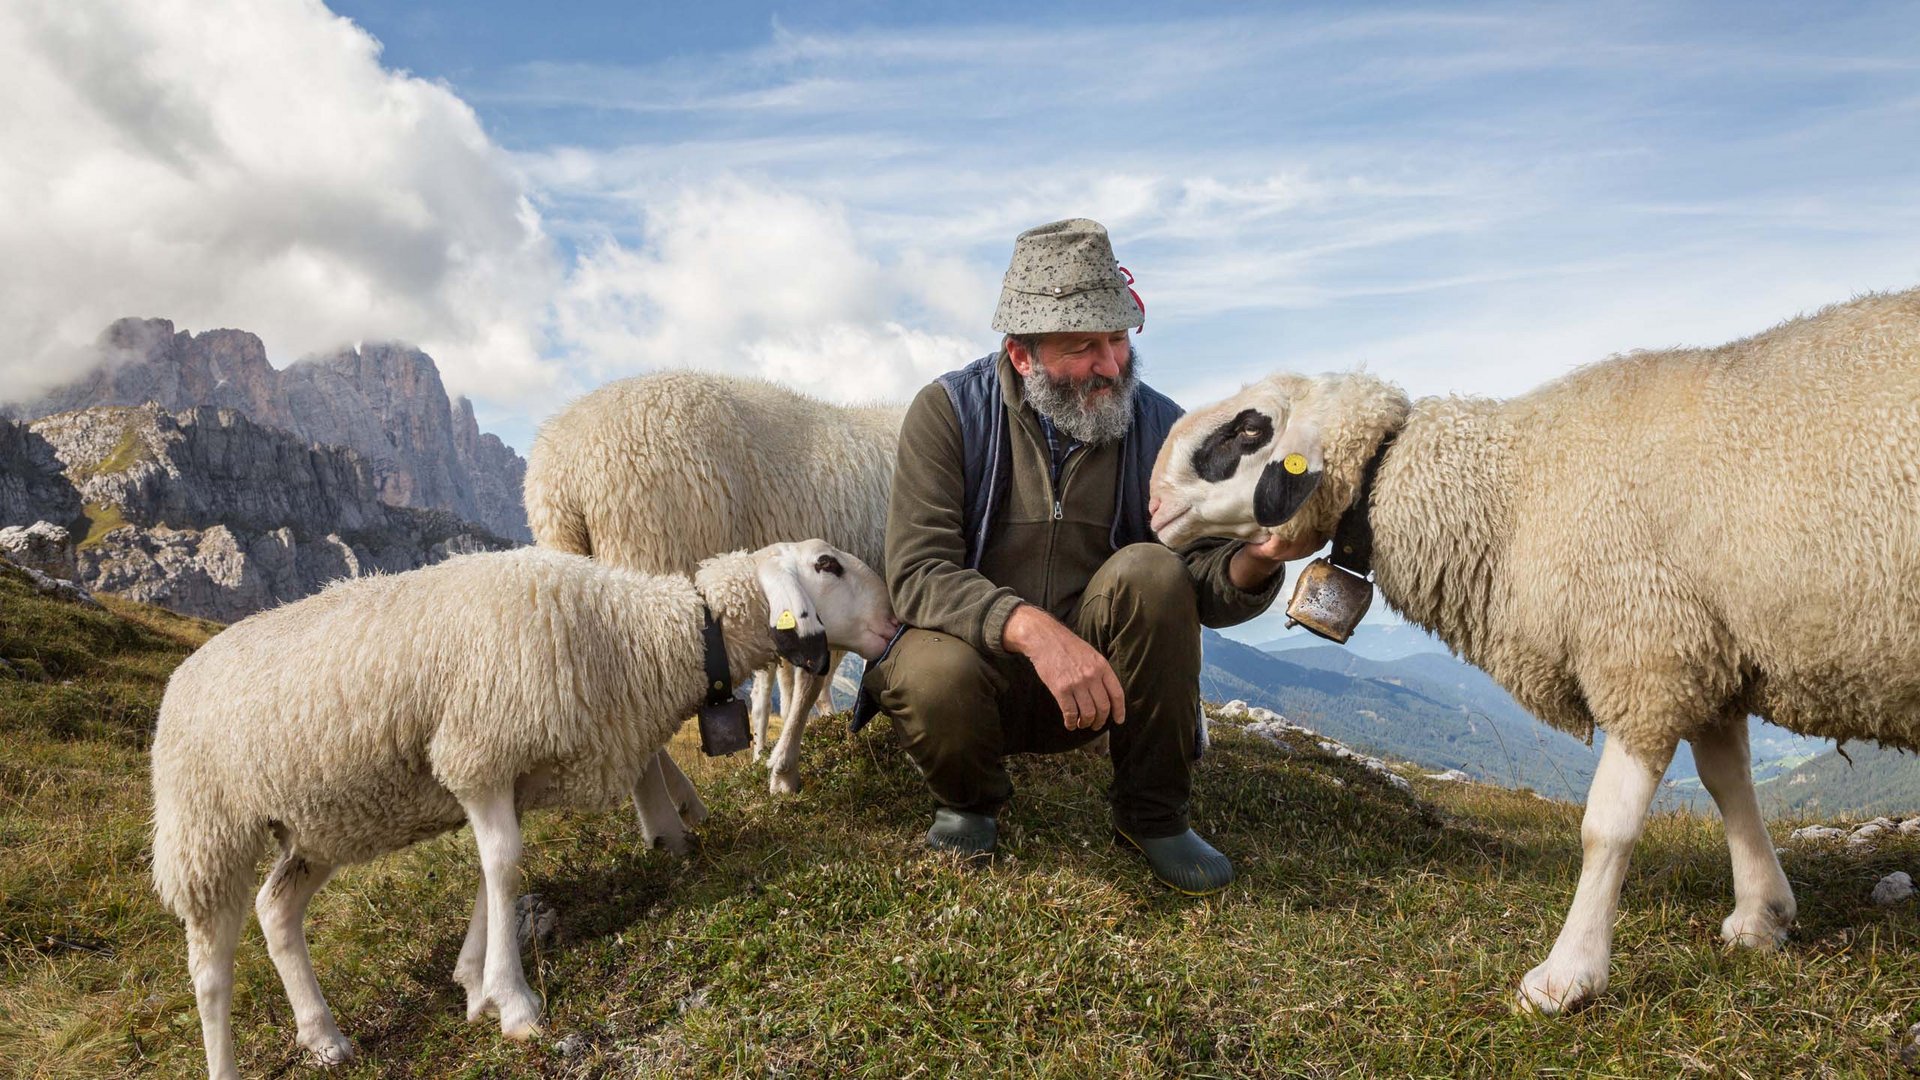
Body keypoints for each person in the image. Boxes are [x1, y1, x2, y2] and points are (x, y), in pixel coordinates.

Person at [858, 218, 1313, 894]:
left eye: (1117, 340)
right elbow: (919, 574)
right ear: (1021, 355)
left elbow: (1200, 585)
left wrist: (1261, 558)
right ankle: (969, 804)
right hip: (973, 681)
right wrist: (1034, 632)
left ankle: (1154, 815)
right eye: (1083, 347)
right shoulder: (948, 413)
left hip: (1101, 687)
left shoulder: (1162, 426)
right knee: (929, 672)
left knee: (1153, 570)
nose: (1110, 364)